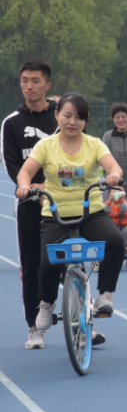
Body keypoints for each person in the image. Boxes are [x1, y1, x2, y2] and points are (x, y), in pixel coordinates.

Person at [16, 93, 125, 346]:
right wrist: (24, 186)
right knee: (47, 262)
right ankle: (46, 304)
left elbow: (113, 167)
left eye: (79, 117)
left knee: (116, 241)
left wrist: (113, 175)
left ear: (86, 120)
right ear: (57, 115)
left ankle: (105, 293)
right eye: (67, 115)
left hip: (90, 212)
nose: (73, 121)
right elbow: (26, 172)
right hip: (56, 214)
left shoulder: (94, 144)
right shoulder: (46, 146)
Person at [3, 60, 59, 349]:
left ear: (47, 85)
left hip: (64, 201)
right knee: (31, 265)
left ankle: (82, 320)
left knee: (70, 260)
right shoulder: (11, 123)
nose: (29, 86)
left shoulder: (63, 116)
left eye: (35, 80)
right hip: (29, 204)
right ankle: (35, 327)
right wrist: (30, 187)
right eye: (25, 80)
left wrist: (53, 187)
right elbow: (12, 164)